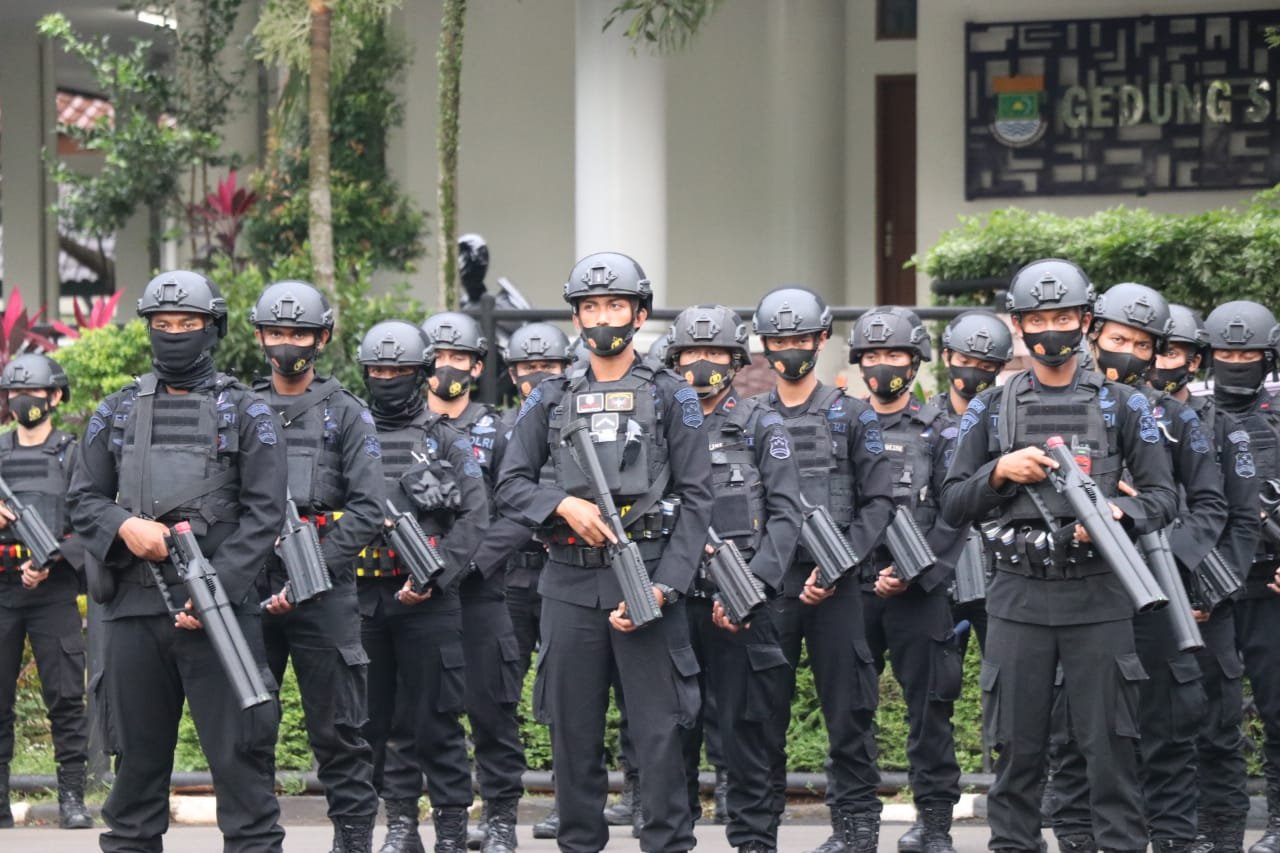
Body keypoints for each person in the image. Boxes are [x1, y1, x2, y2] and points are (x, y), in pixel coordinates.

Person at [939, 258, 1178, 853]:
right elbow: (952, 502)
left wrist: (1116, 514)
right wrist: (1000, 471)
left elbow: (1163, 498)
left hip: (1101, 594)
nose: (1051, 330)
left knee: (1110, 752)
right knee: (1016, 753)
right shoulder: (991, 407)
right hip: (1017, 596)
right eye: (1039, 319)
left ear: (1085, 322)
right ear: (1019, 326)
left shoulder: (1125, 405)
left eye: (1064, 318)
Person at [495, 251, 712, 853]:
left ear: (639, 315)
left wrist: (665, 588)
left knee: (660, 736)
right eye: (590, 307)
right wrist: (563, 505)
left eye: (616, 305)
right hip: (568, 587)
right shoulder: (550, 396)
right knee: (572, 737)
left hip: (650, 581)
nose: (603, 317)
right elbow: (510, 483)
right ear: (576, 318)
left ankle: (667, 844)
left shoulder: (672, 395)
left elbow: (699, 498)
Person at [68, 270, 287, 852]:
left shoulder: (248, 412)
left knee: (243, 775)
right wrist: (125, 526)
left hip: (219, 612)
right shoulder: (115, 411)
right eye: (161, 325)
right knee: (134, 783)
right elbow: (82, 499)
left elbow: (265, 514)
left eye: (187, 324)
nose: (173, 335)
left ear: (212, 329)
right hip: (134, 612)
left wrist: (215, 588)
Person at [1045, 283, 1226, 853]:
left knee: (1167, 727)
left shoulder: (1174, 417)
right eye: (1118, 339)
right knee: (1075, 731)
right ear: (1094, 334)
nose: (1127, 353)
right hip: (1079, 590)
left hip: (1156, 594)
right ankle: (1078, 838)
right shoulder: (1053, 405)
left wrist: (1169, 561)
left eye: (1142, 345)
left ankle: (1171, 838)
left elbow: (1209, 504)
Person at [751, 286, 895, 853]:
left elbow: (879, 502)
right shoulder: (751, 417)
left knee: (850, 712)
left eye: (801, 338)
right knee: (762, 714)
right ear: (765, 346)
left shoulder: (854, 415)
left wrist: (839, 565)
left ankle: (856, 830)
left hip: (839, 585)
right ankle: (759, 834)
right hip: (772, 585)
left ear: (820, 340)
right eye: (780, 340)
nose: (790, 349)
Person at [250, 280, 385, 853]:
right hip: (252, 580)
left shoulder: (348, 413)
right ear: (260, 337)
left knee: (339, 730)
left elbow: (369, 508)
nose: (287, 344)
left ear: (322, 338)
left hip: (324, 586)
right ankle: (256, 841)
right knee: (248, 727)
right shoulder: (240, 407)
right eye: (276, 332)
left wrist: (313, 572)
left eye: (299, 333)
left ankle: (351, 841)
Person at [665, 303, 804, 853]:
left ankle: (753, 841)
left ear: (736, 361)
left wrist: (754, 587)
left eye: (715, 353)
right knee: (672, 734)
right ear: (675, 361)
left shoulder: (762, 424)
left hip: (743, 606)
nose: (703, 363)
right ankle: (673, 839)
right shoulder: (660, 427)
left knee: (749, 735)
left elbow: (787, 514)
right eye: (692, 353)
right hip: (676, 603)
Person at [355, 320, 490, 853]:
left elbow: (476, 517)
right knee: (374, 722)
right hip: (365, 599)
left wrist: (436, 573)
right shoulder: (351, 436)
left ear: (422, 373)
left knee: (436, 720)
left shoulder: (446, 439)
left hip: (431, 600)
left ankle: (451, 833)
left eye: (400, 371)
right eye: (378, 371)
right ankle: (400, 827)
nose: (388, 379)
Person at [848, 307, 966, 853]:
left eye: (893, 354)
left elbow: (954, 513)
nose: (883, 365)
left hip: (919, 590)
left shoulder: (940, 431)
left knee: (930, 711)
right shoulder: (842, 425)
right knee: (851, 710)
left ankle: (934, 825)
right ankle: (854, 826)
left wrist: (917, 572)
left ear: (915, 362)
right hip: (853, 585)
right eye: (873, 355)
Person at [417, 311, 527, 853]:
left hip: (481, 591)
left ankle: (501, 820)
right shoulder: (401, 427)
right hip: (417, 594)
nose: (448, 368)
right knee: (420, 714)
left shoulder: (503, 430)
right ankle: (429, 823)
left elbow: (518, 509)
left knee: (492, 709)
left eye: (459, 358)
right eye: (438, 358)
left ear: (477, 367)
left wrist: (468, 563)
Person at [1153, 304, 1257, 853]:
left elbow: (1241, 520)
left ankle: (1223, 837)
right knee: (1150, 730)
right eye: (1155, 350)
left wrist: (1214, 590)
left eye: (1172, 352)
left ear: (1194, 361)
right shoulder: (1119, 418)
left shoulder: (1224, 429)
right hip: (1143, 602)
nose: (1160, 362)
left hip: (1207, 601)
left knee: (1216, 728)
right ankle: (1171, 834)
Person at [471, 322, 575, 841]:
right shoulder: (498, 431)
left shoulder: (582, 421)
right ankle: (497, 814)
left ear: (566, 369)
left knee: (568, 695)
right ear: (512, 375)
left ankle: (571, 803)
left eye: (549, 367)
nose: (538, 377)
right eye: (528, 368)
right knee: (497, 698)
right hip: (511, 574)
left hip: (568, 571)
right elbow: (494, 503)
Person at [1200, 300, 1280, 853]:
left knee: (1278, 711)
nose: (1236, 363)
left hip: (1271, 585)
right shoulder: (1190, 416)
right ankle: (1216, 828)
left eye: (1247, 354)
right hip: (1213, 586)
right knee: (1210, 716)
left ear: (1267, 357)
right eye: (1226, 355)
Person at [0, 353, 92, 830]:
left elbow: (91, 523)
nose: (23, 400)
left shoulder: (72, 455)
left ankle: (72, 799)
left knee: (65, 699)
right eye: (15, 393)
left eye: (32, 392)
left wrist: (51, 560)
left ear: (55, 396)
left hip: (53, 592)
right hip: (2, 590)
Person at [931, 310, 1015, 660]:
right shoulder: (926, 420)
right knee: (939, 676)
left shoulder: (1012, 417)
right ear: (947, 357)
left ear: (998, 367)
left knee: (1006, 670)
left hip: (1000, 563)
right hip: (940, 563)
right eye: (964, 361)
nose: (972, 372)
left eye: (984, 365)